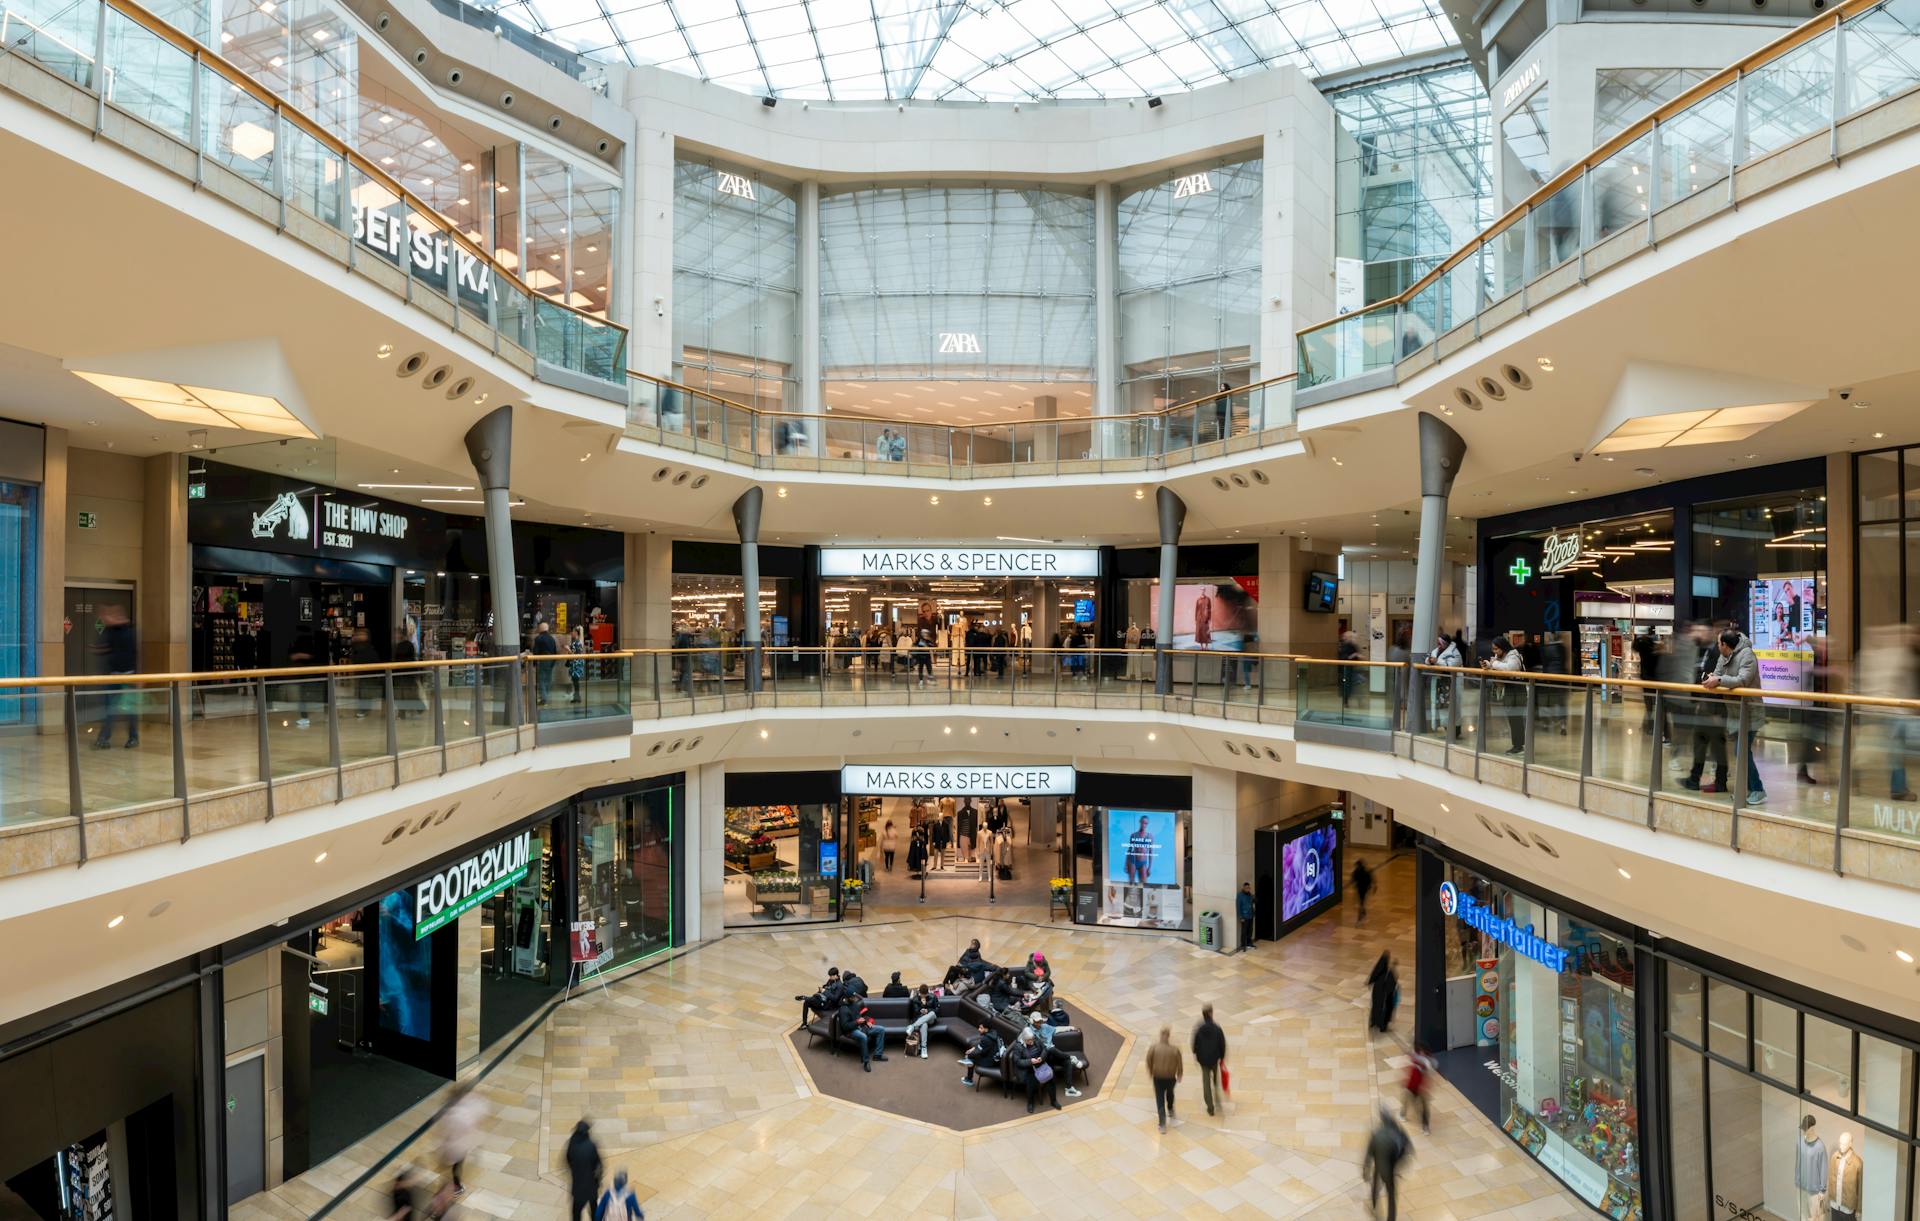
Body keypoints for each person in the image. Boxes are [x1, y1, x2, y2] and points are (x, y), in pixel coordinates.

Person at [1703, 626, 1764, 805]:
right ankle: (1749, 789)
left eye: (1718, 643)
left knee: (1741, 751)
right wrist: (1713, 678)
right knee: (1742, 752)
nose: (1717, 646)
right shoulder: (1724, 656)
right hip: (1736, 713)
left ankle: (1758, 790)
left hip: (1750, 713)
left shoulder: (1747, 655)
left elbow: (1742, 680)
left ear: (1724, 644)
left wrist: (1719, 680)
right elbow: (1718, 673)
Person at [1672, 621, 1729, 793]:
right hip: (1706, 706)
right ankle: (1697, 778)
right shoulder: (1705, 650)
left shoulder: (1716, 653)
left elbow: (1714, 679)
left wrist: (1713, 710)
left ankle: (1713, 780)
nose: (1696, 633)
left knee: (1714, 745)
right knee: (1702, 742)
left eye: (1700, 630)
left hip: (1713, 709)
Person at [91, 603, 139, 748]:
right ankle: (103, 738)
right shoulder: (110, 632)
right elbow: (106, 648)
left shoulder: (128, 631)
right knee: (110, 708)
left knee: (130, 709)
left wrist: (138, 676)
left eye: (107, 615)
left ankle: (133, 738)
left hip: (129, 676)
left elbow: (134, 654)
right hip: (114, 676)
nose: (105, 619)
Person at [1363, 1106, 1413, 1221]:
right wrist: (1399, 1165)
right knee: (1391, 1195)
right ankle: (1391, 1218)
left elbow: (1369, 1154)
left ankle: (1374, 1206)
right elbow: (1407, 1149)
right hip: (1390, 1168)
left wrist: (1366, 1169)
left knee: (1375, 1185)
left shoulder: (1376, 1134)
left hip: (1379, 1165)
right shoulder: (1398, 1131)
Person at [437, 1082, 482, 1198]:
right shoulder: (460, 1113)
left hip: (450, 1142)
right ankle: (456, 1186)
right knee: (457, 1166)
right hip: (458, 1145)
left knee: (453, 1163)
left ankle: (453, 1183)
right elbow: (467, 1127)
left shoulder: (449, 1109)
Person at [1488, 634, 1526, 756]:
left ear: (1503, 647)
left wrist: (1494, 664)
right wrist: (1490, 665)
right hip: (1511, 689)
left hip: (1517, 689)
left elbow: (1511, 668)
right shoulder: (1502, 656)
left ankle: (1519, 746)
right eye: (1493, 649)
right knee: (1513, 718)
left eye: (1496, 649)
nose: (1494, 651)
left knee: (1516, 718)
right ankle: (1518, 745)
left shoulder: (1513, 655)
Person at [1191, 1004, 1227, 1117]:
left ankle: (1210, 1108)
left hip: (1203, 1061)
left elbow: (1194, 1046)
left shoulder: (1199, 1029)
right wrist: (1222, 1057)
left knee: (1206, 1084)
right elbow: (1222, 1044)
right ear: (1211, 1013)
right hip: (1214, 1059)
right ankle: (1217, 1099)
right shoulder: (1217, 1028)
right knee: (1215, 1080)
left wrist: (1196, 1055)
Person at [1146, 1025, 1184, 1131]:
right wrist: (1179, 1074)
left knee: (1160, 1099)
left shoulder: (1154, 1048)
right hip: (1171, 1077)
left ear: (1161, 1035)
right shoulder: (1174, 1050)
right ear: (1168, 1036)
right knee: (1170, 1093)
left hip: (1158, 1077)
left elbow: (1148, 1060)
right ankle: (1170, 1109)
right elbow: (1180, 1063)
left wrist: (1151, 1071)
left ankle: (1162, 1124)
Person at [836, 993, 888, 1070]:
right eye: (853, 997)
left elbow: (859, 1016)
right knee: (863, 1037)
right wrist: (857, 1022)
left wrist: (866, 1022)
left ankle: (878, 1055)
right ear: (848, 998)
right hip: (851, 1031)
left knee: (881, 1029)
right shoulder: (843, 1009)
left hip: (861, 1026)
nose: (855, 998)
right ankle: (866, 1062)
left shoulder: (854, 1004)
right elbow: (845, 1026)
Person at [1016, 1027, 1060, 1113]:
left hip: (1041, 1064)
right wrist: (1030, 1061)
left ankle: (1053, 1101)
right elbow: (1018, 1061)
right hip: (1028, 1068)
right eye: (1029, 1041)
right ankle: (1030, 1103)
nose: (1031, 1042)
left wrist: (1041, 1058)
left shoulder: (1035, 1038)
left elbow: (1044, 1049)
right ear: (1024, 1039)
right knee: (1031, 1084)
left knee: (1051, 1079)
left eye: (1032, 1039)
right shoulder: (1018, 1046)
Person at [566, 1119, 603, 1221]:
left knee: (576, 1212)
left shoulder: (572, 1144)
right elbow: (599, 1165)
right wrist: (598, 1180)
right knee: (594, 1209)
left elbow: (568, 1159)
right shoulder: (591, 1146)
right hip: (591, 1186)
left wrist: (575, 1170)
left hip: (578, 1188)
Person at [1632, 627, 1662, 736]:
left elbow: (1635, 647)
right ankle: (1652, 727)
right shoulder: (1654, 648)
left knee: (1649, 705)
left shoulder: (1643, 646)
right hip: (1656, 680)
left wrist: (1636, 637)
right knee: (1656, 705)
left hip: (1647, 679)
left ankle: (1649, 727)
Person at [1403, 1043, 1434, 1132]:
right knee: (1408, 1099)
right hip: (1412, 1086)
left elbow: (1428, 1074)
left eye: (1422, 1052)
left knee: (1422, 1107)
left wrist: (1424, 1087)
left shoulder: (1426, 1063)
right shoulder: (1417, 1059)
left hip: (1420, 1088)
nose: (1420, 1054)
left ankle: (1425, 1126)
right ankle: (1403, 1114)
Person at [1367, 953, 1398, 1038]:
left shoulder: (1379, 969)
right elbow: (1392, 984)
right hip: (1384, 994)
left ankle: (1374, 1022)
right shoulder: (1388, 972)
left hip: (1376, 992)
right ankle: (1382, 1026)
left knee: (1375, 1007)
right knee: (1383, 1009)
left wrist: (1369, 982)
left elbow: (1373, 975)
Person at [961, 1020, 1001, 1087]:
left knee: (970, 1060)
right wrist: (972, 1049)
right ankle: (968, 1077)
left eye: (981, 1028)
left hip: (989, 1063)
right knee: (972, 1054)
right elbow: (981, 1045)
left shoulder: (986, 1039)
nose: (979, 1029)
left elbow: (980, 1052)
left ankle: (969, 1080)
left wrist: (968, 1055)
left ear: (986, 1029)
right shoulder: (993, 1033)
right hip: (994, 1058)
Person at [904, 983, 938, 1058]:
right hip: (920, 1019)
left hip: (931, 1019)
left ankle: (912, 1026)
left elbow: (937, 1010)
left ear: (927, 993)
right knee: (924, 1024)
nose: (923, 996)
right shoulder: (915, 998)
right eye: (922, 995)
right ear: (919, 992)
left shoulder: (933, 997)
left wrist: (927, 1010)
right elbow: (915, 1012)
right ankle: (923, 1048)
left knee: (932, 1013)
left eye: (924, 995)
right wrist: (922, 1006)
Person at [531, 620, 560, 706]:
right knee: (548, 679)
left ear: (540, 628)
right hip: (551, 660)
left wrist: (534, 663)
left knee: (541, 680)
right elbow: (555, 651)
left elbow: (535, 651)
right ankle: (546, 696)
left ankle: (544, 699)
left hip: (543, 660)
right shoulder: (552, 638)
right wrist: (553, 662)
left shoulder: (538, 638)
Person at [1123, 814, 1156, 885]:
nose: (1144, 825)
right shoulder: (1133, 835)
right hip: (1133, 861)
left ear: (1147, 824)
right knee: (1131, 883)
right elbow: (1129, 850)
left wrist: (1149, 867)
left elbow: (1151, 852)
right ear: (1140, 822)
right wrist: (1126, 864)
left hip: (1143, 862)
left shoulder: (1150, 836)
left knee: (1144, 883)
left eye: (1145, 823)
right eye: (1142, 822)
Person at [1337, 629, 1362, 710]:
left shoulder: (1353, 646)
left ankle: (1358, 701)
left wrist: (1357, 656)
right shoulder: (1343, 646)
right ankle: (1346, 701)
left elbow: (1357, 656)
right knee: (1347, 685)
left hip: (1352, 668)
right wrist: (1353, 655)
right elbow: (1343, 658)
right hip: (1346, 669)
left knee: (1356, 684)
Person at [567, 625, 589, 703]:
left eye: (572, 631)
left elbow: (574, 654)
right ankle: (576, 697)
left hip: (575, 665)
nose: (571, 633)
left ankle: (577, 697)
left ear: (576, 632)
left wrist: (568, 649)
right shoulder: (579, 641)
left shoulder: (576, 643)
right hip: (577, 664)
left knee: (575, 681)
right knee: (575, 681)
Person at [1350, 859, 1373, 924]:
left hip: (1363, 888)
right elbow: (1353, 878)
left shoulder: (1361, 872)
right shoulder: (1361, 871)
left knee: (1361, 901)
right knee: (1361, 901)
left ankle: (1360, 914)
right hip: (1361, 888)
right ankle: (1362, 911)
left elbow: (1369, 879)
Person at [1236, 882, 1255, 952]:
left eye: (1249, 888)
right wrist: (1241, 917)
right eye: (1247, 888)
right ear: (1243, 888)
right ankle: (1243, 945)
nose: (1248, 889)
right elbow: (1238, 907)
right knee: (1244, 931)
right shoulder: (1240, 895)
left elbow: (1253, 903)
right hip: (1244, 916)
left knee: (1250, 930)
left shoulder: (1250, 895)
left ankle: (1249, 943)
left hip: (1250, 915)